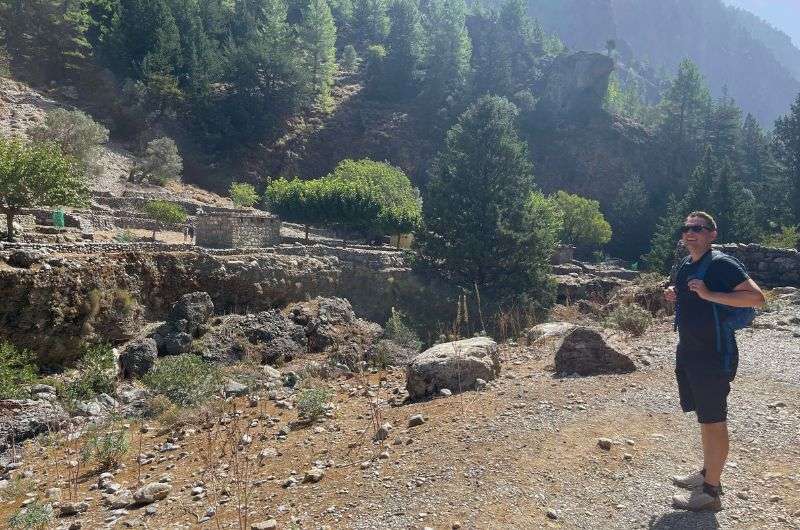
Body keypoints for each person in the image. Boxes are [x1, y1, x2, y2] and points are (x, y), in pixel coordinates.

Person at [664, 211, 765, 512]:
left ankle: (711, 493)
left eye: (698, 228)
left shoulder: (721, 264)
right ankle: (708, 472)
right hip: (691, 351)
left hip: (713, 354)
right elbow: (690, 298)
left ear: (712, 234)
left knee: (714, 421)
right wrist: (674, 294)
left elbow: (756, 298)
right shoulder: (686, 265)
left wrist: (709, 294)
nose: (690, 233)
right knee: (705, 419)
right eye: (686, 228)